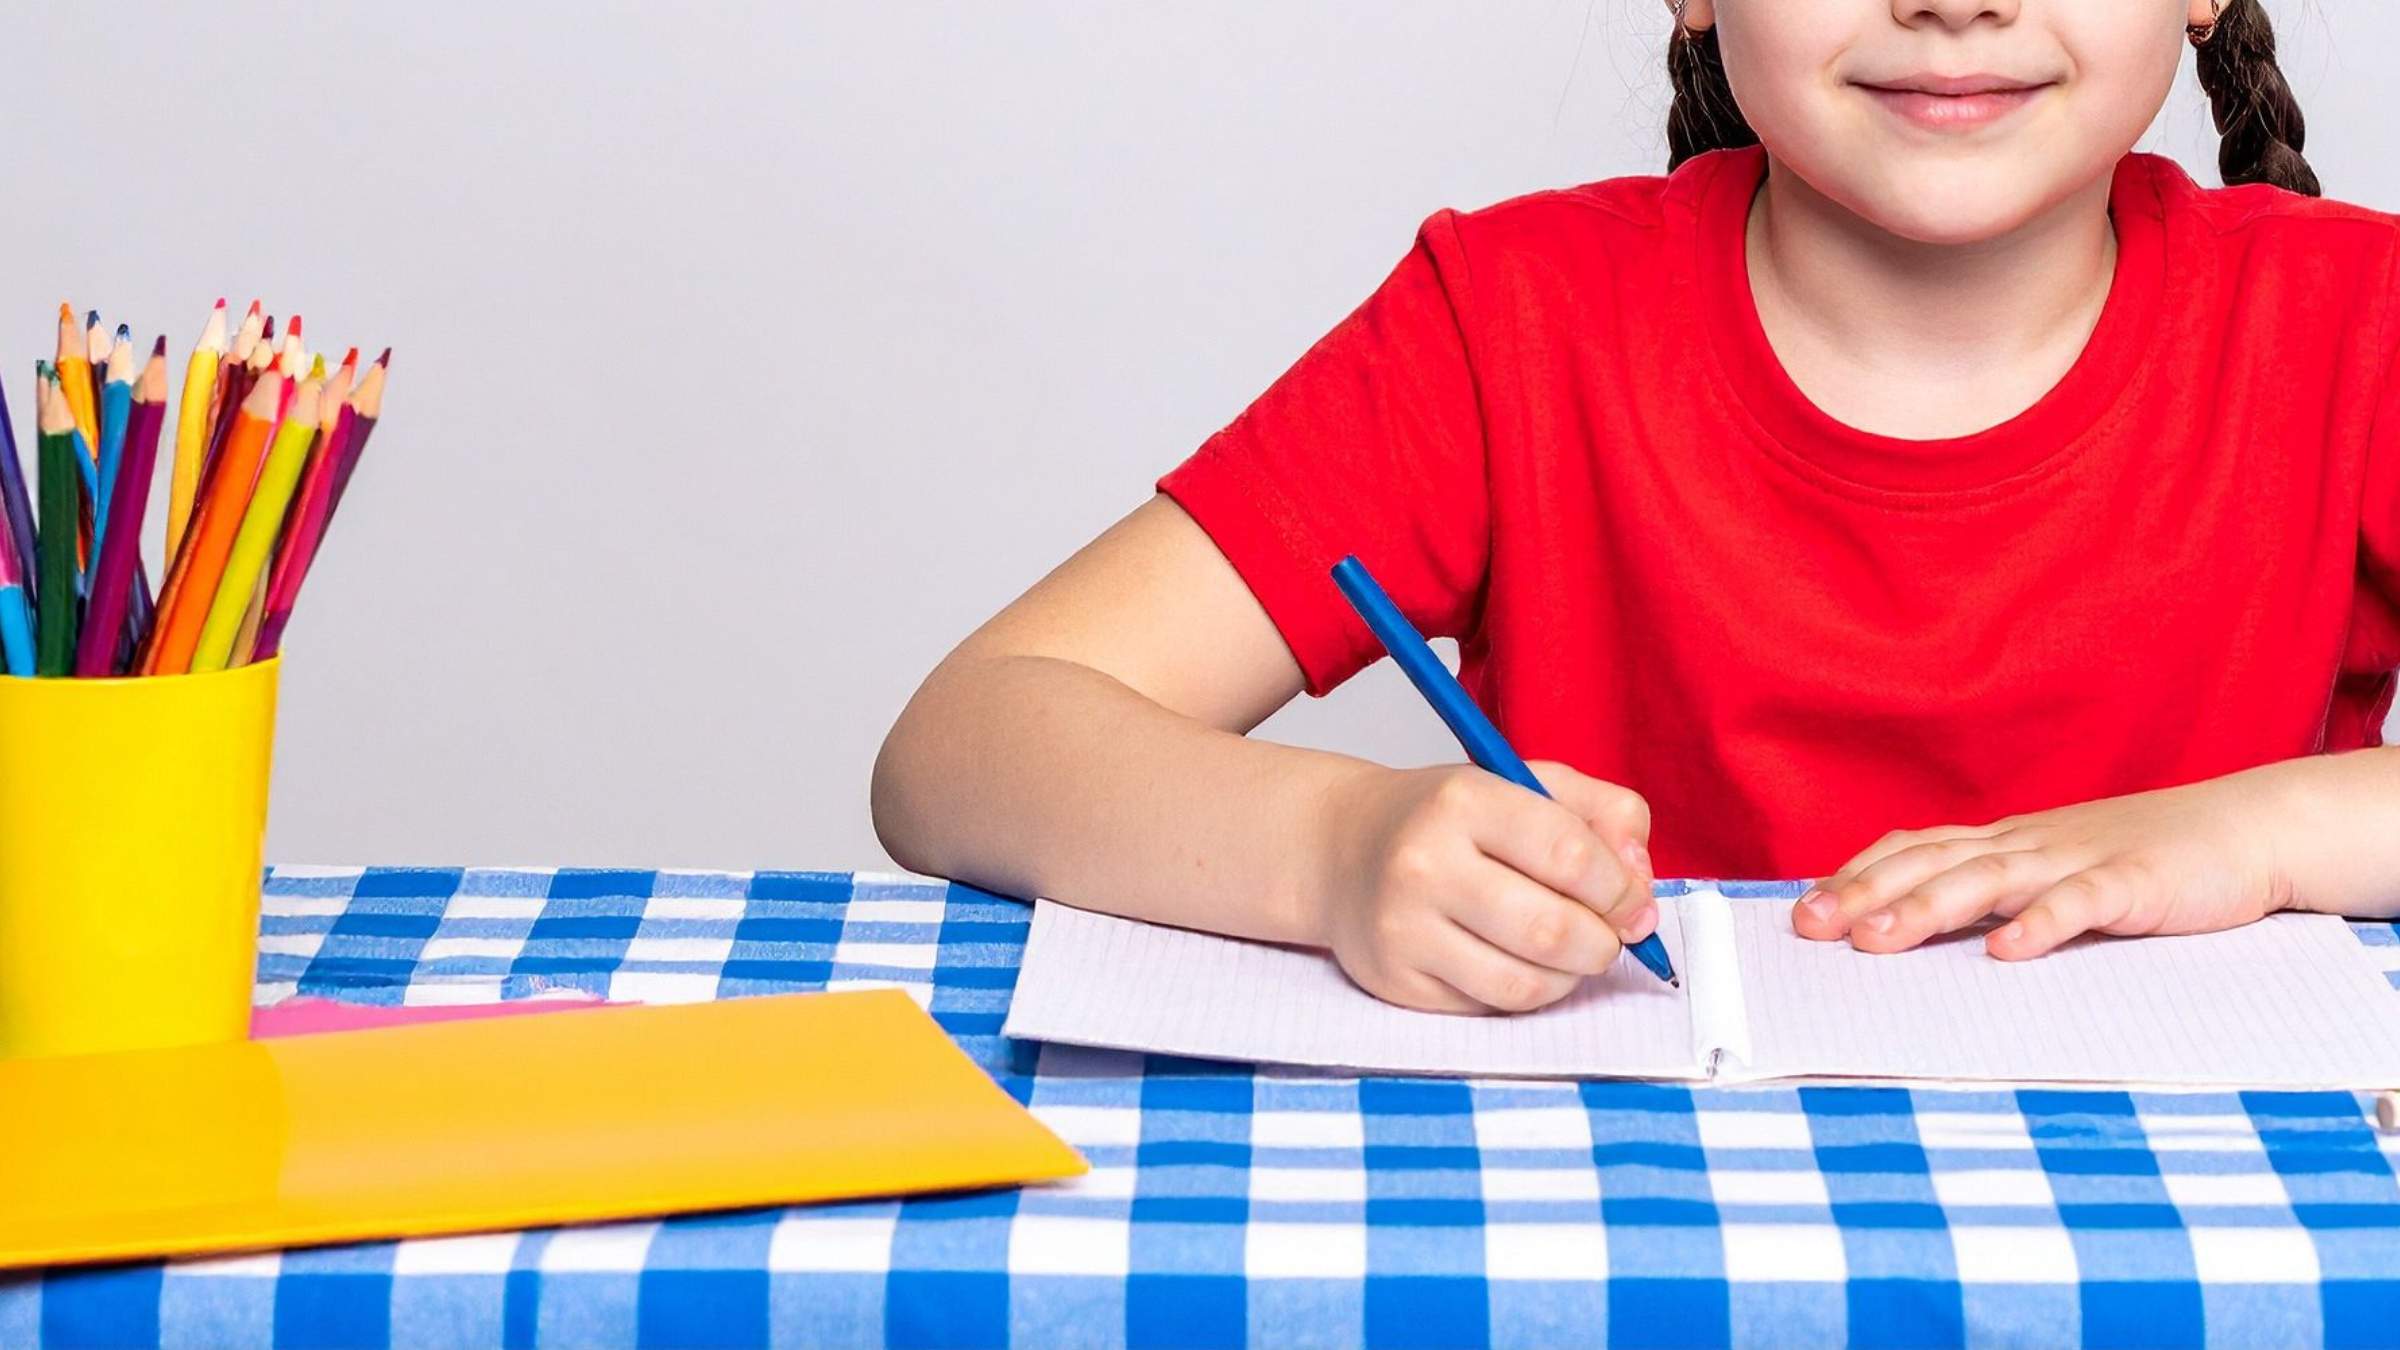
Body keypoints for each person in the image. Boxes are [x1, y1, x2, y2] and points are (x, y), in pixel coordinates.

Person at [874, 1, 2400, 1016]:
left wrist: (2259, 833)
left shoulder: (2356, 316)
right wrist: (1333, 846)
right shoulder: (1512, 322)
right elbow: (964, 743)